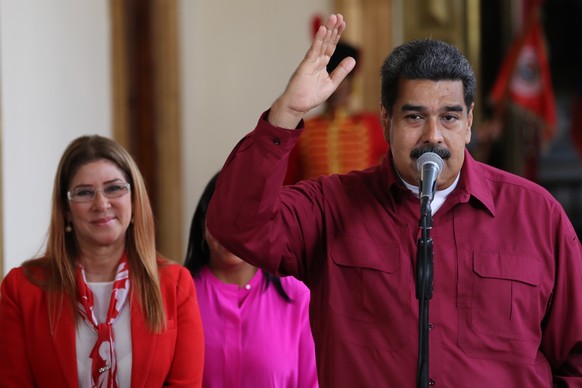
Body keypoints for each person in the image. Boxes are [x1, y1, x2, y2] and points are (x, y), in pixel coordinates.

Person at [206, 13, 582, 387]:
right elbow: (236, 227)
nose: (432, 135)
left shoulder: (537, 215)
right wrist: (285, 114)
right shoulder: (331, 206)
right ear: (386, 121)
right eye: (414, 117)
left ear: (469, 124)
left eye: (449, 117)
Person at [0, 135, 205, 387]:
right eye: (84, 192)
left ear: (134, 199)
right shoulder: (21, 289)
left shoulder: (175, 284)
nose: (101, 203)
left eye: (114, 188)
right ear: (65, 210)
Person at [184, 172, 318, 388]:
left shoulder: (298, 296)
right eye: (220, 216)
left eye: (244, 218)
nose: (231, 231)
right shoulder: (179, 295)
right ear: (203, 223)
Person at [284, 40, 387, 184]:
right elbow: (288, 183)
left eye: (342, 80)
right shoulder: (302, 131)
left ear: (351, 83)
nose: (336, 88)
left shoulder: (374, 125)